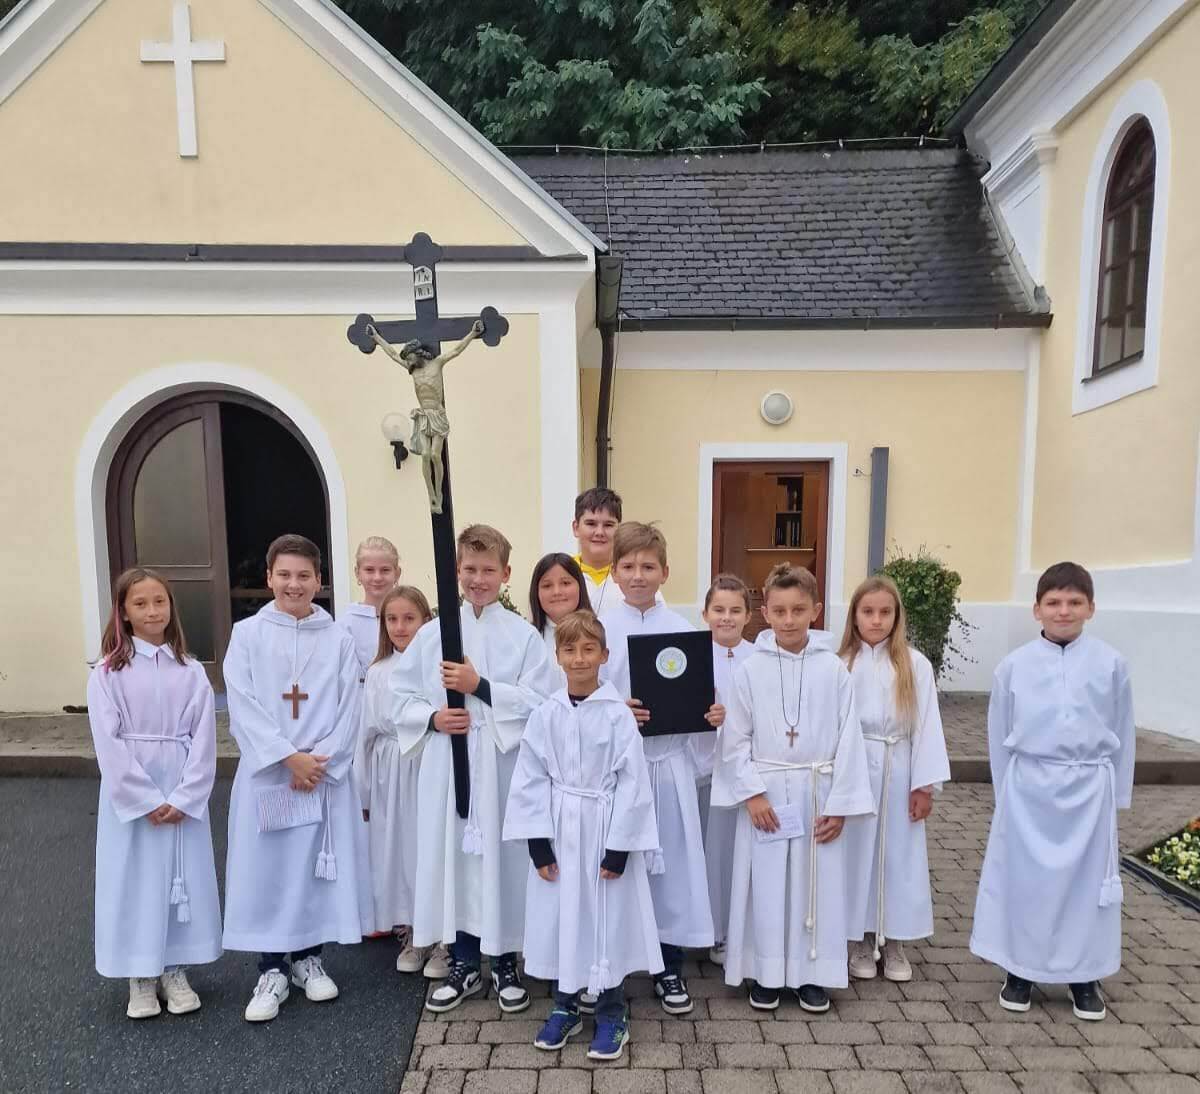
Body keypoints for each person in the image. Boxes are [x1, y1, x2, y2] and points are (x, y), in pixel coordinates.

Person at [391, 524, 556, 1014]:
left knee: (502, 862)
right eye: (469, 570)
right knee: (454, 861)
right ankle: (463, 962)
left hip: (501, 764)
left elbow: (541, 701)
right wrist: (434, 718)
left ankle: (504, 964)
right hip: (449, 763)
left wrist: (479, 686)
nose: (478, 579)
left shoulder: (523, 635)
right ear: (456, 572)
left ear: (506, 573)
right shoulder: (432, 635)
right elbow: (399, 697)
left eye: (488, 570)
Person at [970, 562, 1134, 1021]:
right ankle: (1020, 970)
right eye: (1054, 602)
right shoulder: (1014, 666)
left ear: (1091, 608)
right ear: (1036, 609)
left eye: (1074, 602)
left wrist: (1117, 797)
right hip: (1030, 790)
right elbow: (998, 733)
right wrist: (1006, 794)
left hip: (1089, 790)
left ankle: (1084, 975)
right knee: (1028, 884)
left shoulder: (1111, 664)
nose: (1064, 611)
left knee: (1085, 888)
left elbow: (1123, 731)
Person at [222, 534, 371, 1023]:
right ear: (269, 578)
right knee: (271, 870)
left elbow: (351, 706)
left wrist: (319, 760)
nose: (294, 584)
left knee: (312, 867)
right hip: (272, 775)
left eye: (304, 575)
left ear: (319, 580)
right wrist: (289, 758)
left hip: (321, 773)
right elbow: (241, 703)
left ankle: (309, 959)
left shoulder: (338, 639)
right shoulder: (247, 635)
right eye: (284, 574)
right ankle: (271, 970)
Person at [712, 563, 873, 1013]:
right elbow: (735, 738)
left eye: (798, 610)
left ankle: (812, 974)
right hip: (765, 794)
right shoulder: (750, 670)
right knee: (764, 885)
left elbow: (850, 738)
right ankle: (765, 972)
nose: (788, 620)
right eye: (779, 611)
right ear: (764, 612)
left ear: (815, 611)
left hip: (817, 791)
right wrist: (751, 794)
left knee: (815, 883)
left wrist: (840, 805)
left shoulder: (833, 669)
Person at [505, 611, 662, 1061]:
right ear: (557, 656)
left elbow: (633, 783)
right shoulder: (546, 714)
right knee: (562, 915)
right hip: (559, 828)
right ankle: (565, 1005)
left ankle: (612, 1011)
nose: (579, 659)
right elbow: (530, 777)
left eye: (589, 649)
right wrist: (537, 844)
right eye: (570, 649)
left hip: (604, 826)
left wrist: (619, 849)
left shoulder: (617, 716)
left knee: (605, 916)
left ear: (604, 655)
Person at [88, 568, 222, 1019]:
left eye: (159, 602)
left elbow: (204, 738)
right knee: (135, 879)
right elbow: (108, 744)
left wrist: (186, 797)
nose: (152, 611)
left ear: (171, 608)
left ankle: (174, 968)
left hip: (180, 783)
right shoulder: (108, 673)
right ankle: (140, 975)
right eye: (140, 604)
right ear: (123, 613)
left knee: (179, 879)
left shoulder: (190, 671)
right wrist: (144, 799)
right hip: (134, 793)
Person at [600, 522, 722, 1015]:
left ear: (665, 572)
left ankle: (669, 964)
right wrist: (617, 711)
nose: (638, 575)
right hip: (616, 771)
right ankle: (612, 964)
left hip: (668, 766)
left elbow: (701, 697)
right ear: (614, 571)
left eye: (648, 566)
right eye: (628, 566)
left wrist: (709, 714)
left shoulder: (685, 632)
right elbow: (582, 692)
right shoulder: (599, 629)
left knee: (669, 868)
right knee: (618, 866)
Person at [838, 577, 950, 983]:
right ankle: (862, 938)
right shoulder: (841, 664)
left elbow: (927, 726)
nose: (876, 620)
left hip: (898, 766)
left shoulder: (914, 665)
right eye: (868, 611)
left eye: (885, 612)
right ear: (854, 616)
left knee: (899, 854)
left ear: (897, 616)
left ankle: (896, 940)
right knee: (858, 854)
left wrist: (924, 785)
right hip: (855, 767)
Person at [355, 585, 450, 978]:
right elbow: (365, 733)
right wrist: (363, 790)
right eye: (391, 619)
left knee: (431, 848)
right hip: (390, 770)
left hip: (428, 760)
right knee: (399, 851)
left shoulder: (440, 667)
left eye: (409, 618)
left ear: (426, 621)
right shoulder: (378, 671)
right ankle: (411, 932)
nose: (399, 627)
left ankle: (442, 938)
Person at [697, 573, 754, 968]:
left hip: (749, 769)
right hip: (708, 766)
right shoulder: (695, 655)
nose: (726, 618)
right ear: (705, 614)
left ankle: (744, 927)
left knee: (744, 851)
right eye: (718, 609)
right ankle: (714, 929)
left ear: (748, 615)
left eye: (735, 610)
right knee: (713, 851)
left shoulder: (760, 657)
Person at [339, 536, 401, 684]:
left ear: (397, 573)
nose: (377, 577)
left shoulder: (408, 619)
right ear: (357, 573)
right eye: (369, 570)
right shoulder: (345, 625)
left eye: (385, 570)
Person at [529, 552, 590, 680]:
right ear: (536, 592)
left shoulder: (599, 633)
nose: (557, 592)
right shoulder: (527, 638)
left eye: (565, 583)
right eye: (547, 586)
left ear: (580, 586)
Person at [572, 488, 623, 615]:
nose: (599, 532)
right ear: (576, 528)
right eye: (591, 524)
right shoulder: (563, 574)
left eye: (608, 525)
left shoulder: (633, 575)